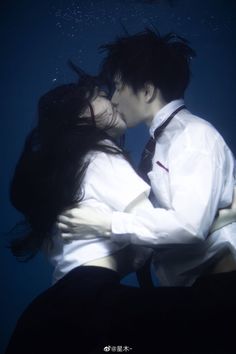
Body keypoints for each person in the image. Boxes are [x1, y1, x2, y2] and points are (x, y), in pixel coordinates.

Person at [57, 30, 236, 351]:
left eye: (120, 87)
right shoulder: (163, 144)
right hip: (193, 292)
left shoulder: (192, 137)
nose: (113, 99)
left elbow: (188, 227)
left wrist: (105, 224)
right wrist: (223, 217)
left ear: (148, 90)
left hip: (220, 288)